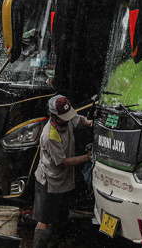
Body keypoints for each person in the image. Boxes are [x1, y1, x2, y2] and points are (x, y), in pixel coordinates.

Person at [33, 94, 93, 248]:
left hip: (63, 181)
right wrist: (87, 157)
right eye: (64, 117)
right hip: (49, 181)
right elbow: (62, 162)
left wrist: (91, 123)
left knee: (58, 217)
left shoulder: (66, 118)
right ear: (54, 116)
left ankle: (54, 244)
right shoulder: (50, 135)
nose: (67, 119)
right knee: (45, 219)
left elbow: (78, 120)